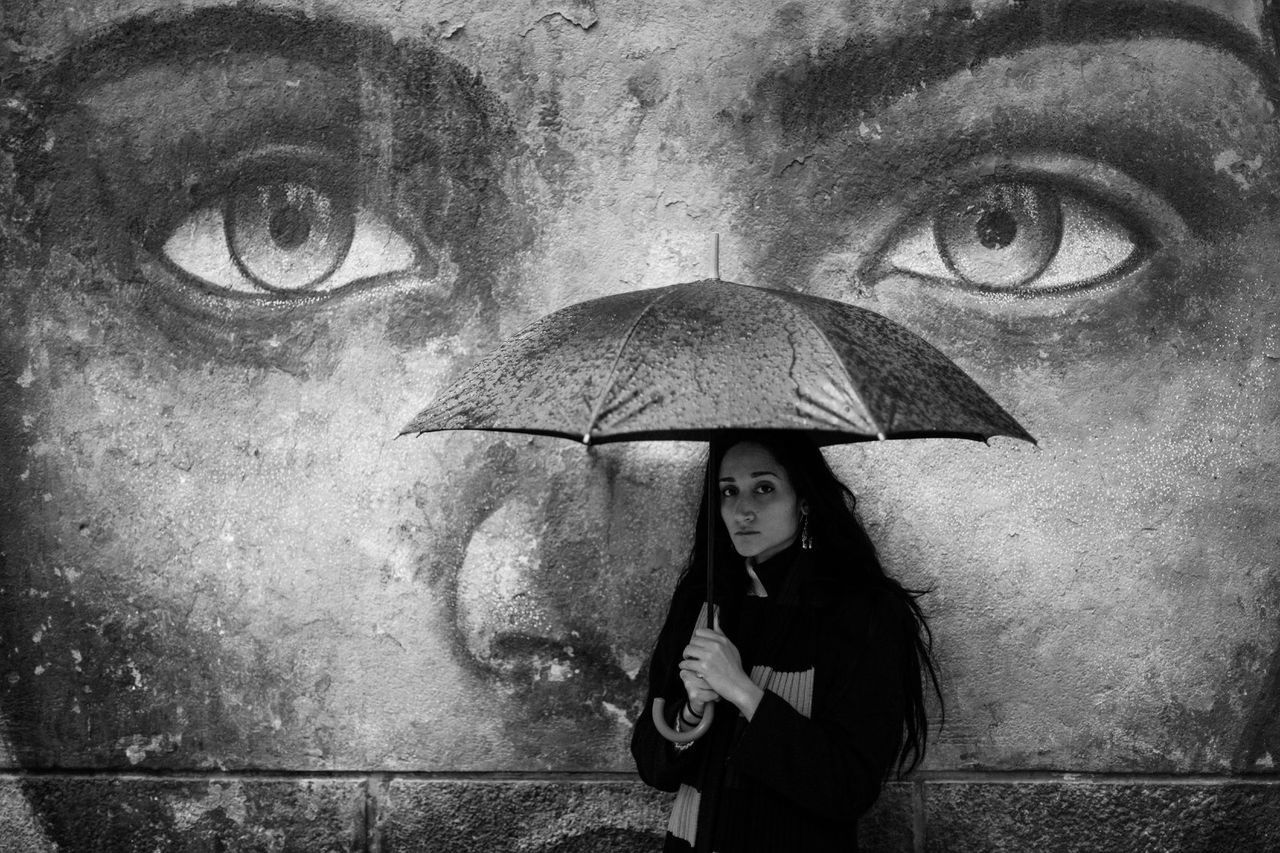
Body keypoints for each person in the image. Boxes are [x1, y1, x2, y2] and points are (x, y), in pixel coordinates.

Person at [632, 434, 940, 852]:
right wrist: (691, 710)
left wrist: (742, 691)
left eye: (764, 487)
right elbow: (653, 766)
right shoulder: (701, 603)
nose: (742, 509)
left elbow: (849, 785)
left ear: (805, 499)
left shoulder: (862, 612)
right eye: (728, 491)